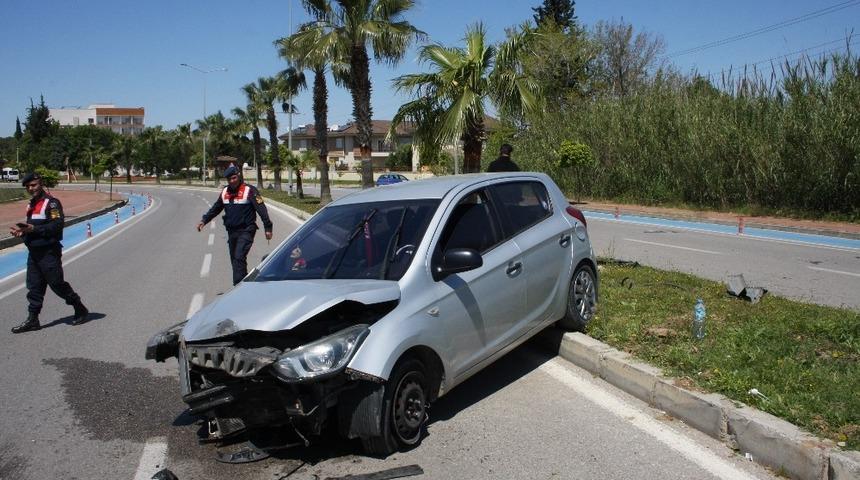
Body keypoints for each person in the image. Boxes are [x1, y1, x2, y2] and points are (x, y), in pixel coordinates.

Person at [9, 173, 89, 333]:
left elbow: (57, 226)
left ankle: (80, 308)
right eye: (28, 187)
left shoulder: (51, 203)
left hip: (48, 253)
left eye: (33, 185)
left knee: (57, 285)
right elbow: (32, 228)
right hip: (34, 253)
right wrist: (23, 232)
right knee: (34, 287)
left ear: (40, 184)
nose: (30, 189)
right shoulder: (31, 204)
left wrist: (34, 229)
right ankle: (33, 320)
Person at [197, 165, 273, 285]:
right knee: (235, 261)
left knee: (239, 257)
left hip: (247, 230)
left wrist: (268, 227)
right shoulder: (225, 192)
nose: (232, 181)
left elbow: (261, 209)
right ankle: (244, 283)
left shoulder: (250, 190)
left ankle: (238, 287)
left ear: (238, 176)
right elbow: (216, 208)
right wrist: (204, 220)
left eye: (233, 178)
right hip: (232, 232)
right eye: (229, 179)